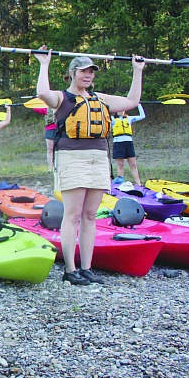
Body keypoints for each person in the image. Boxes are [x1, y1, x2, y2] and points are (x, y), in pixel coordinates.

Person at [35, 48, 145, 285]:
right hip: (72, 159)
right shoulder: (62, 98)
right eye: (84, 71)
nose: (88, 75)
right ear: (73, 73)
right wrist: (44, 64)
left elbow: (132, 101)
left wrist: (137, 71)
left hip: (98, 158)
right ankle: (70, 270)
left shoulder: (100, 99)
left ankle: (87, 268)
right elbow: (42, 92)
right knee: (73, 214)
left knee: (90, 215)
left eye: (91, 71)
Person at [111, 105, 145, 185]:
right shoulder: (112, 119)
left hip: (128, 143)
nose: (122, 111)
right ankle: (120, 182)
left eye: (123, 110)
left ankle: (139, 184)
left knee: (133, 164)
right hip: (118, 143)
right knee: (120, 164)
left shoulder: (129, 118)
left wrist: (139, 105)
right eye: (120, 109)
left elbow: (142, 116)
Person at [34, 106, 58, 172]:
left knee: (59, 150)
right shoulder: (46, 108)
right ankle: (50, 168)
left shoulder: (61, 106)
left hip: (60, 129)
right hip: (50, 129)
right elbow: (35, 108)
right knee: (50, 149)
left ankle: (58, 167)